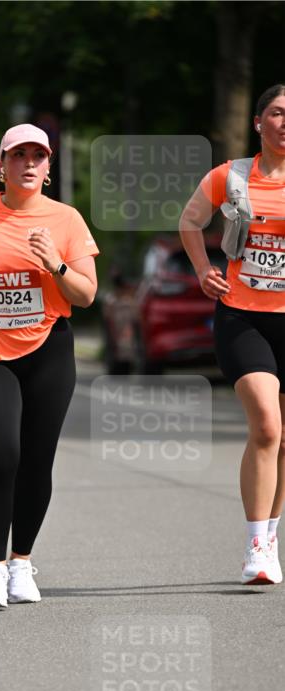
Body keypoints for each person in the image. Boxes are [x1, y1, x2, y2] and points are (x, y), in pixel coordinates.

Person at [0, 123, 99, 609]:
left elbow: (87, 294)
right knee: (0, 454)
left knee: (36, 459)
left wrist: (57, 264)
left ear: (48, 169)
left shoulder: (66, 219)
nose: (28, 163)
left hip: (49, 349)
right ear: (1, 165)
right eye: (18, 155)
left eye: (38, 156)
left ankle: (22, 563)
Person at [179, 84, 285, 585]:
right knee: (266, 425)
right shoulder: (231, 176)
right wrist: (203, 271)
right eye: (277, 113)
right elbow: (190, 221)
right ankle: (256, 544)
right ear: (259, 123)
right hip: (243, 313)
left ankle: (272, 533)